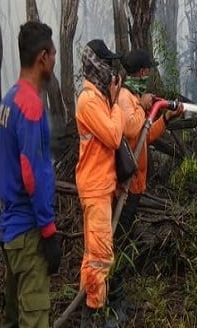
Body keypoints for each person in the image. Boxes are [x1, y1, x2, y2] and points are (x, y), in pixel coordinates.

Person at [108, 49, 183, 322]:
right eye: (148, 70)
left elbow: (144, 136)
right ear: (141, 73)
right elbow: (130, 128)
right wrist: (143, 105)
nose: (150, 74)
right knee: (118, 243)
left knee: (124, 241)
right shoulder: (127, 99)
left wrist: (164, 118)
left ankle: (117, 296)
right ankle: (115, 303)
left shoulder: (133, 99)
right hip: (124, 189)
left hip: (134, 187)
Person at [0, 21, 62, 328]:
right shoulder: (31, 106)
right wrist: (49, 233)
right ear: (42, 58)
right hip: (28, 233)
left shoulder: (8, 101)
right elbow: (32, 173)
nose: (54, 61)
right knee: (34, 320)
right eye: (53, 55)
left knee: (12, 318)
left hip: (10, 230)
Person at [75, 39, 124, 327]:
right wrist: (116, 102)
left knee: (92, 255)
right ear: (96, 66)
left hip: (99, 187)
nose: (111, 71)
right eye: (107, 64)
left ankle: (89, 308)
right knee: (100, 257)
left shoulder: (97, 97)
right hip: (94, 190)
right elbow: (114, 137)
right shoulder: (89, 101)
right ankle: (93, 315)